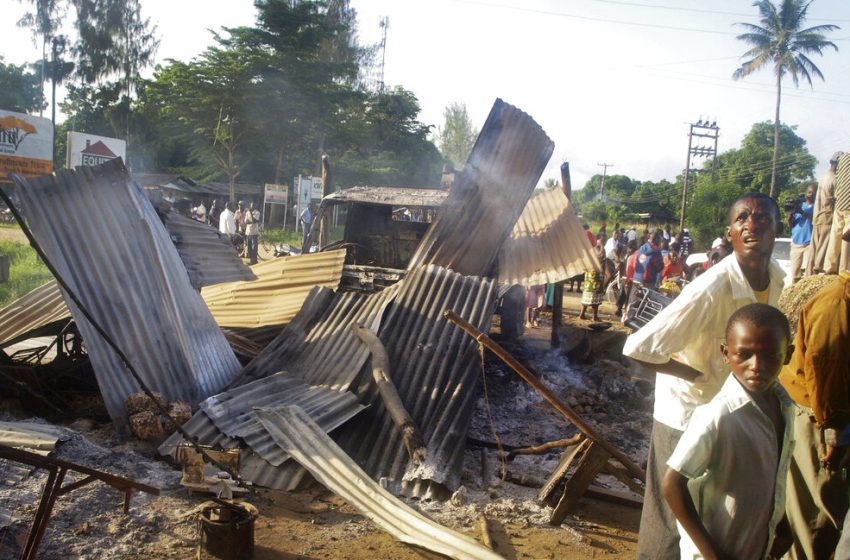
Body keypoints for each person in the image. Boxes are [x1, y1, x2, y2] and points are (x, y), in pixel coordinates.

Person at [623, 192, 785, 560]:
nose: (752, 225)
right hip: (686, 412)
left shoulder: (778, 279)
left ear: (778, 228)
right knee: (669, 515)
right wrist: (695, 374)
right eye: (742, 218)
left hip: (729, 414)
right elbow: (640, 347)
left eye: (762, 219)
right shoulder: (713, 288)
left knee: (707, 514)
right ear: (730, 233)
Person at [663, 303, 795, 560]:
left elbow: (772, 473)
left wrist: (781, 521)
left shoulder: (785, 407)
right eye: (744, 354)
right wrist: (713, 555)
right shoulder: (718, 415)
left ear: (788, 354)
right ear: (726, 353)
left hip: (754, 544)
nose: (756, 365)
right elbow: (672, 484)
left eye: (770, 355)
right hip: (715, 549)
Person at [779, 224, 850, 559]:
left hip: (832, 418)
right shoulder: (836, 305)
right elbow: (828, 384)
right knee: (816, 522)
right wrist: (834, 443)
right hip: (822, 422)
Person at [810, 152, 842, 274]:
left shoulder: (823, 177)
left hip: (817, 217)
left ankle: (812, 272)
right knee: (824, 246)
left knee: (815, 248)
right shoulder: (835, 179)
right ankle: (818, 271)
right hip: (828, 217)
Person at [826, 152, 850, 274]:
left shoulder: (843, 158)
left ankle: (830, 267)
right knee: (847, 238)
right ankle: (844, 269)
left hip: (840, 203)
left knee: (835, 235)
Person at [788, 185, 814, 284]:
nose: (810, 195)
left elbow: (814, 218)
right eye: (809, 192)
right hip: (795, 244)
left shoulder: (816, 206)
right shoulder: (799, 205)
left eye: (812, 193)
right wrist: (790, 213)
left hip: (809, 244)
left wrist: (801, 211)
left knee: (806, 273)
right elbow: (790, 225)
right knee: (795, 275)